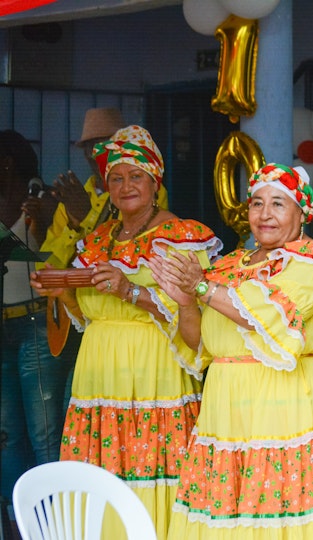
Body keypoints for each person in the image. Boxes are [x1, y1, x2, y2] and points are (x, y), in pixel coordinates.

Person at [149, 163, 313, 538]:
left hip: (286, 400)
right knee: (230, 508)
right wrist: (186, 302)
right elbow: (199, 343)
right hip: (225, 403)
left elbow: (268, 315)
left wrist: (201, 288)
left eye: (278, 204)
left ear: (302, 213)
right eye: (257, 203)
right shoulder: (226, 267)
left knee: (281, 506)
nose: (265, 214)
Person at [29, 125, 222, 539]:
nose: (125, 186)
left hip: (153, 375)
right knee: (101, 476)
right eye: (115, 178)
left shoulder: (181, 237)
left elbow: (190, 311)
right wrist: (62, 290)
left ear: (155, 181)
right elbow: (89, 315)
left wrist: (129, 290)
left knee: (151, 470)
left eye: (136, 176)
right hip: (98, 376)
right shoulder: (97, 240)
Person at [37, 107, 169, 412]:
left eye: (104, 143)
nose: (96, 152)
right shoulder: (75, 197)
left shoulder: (149, 198)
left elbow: (130, 249)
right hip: (84, 331)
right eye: (89, 146)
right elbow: (47, 263)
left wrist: (85, 215)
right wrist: (74, 223)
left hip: (139, 347)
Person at [0, 130, 66, 505]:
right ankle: (17, 520)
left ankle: (54, 519)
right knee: (7, 434)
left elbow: (59, 259)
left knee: (45, 432)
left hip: (36, 324)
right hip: (3, 327)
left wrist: (40, 225)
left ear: (7, 164)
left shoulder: (43, 201)